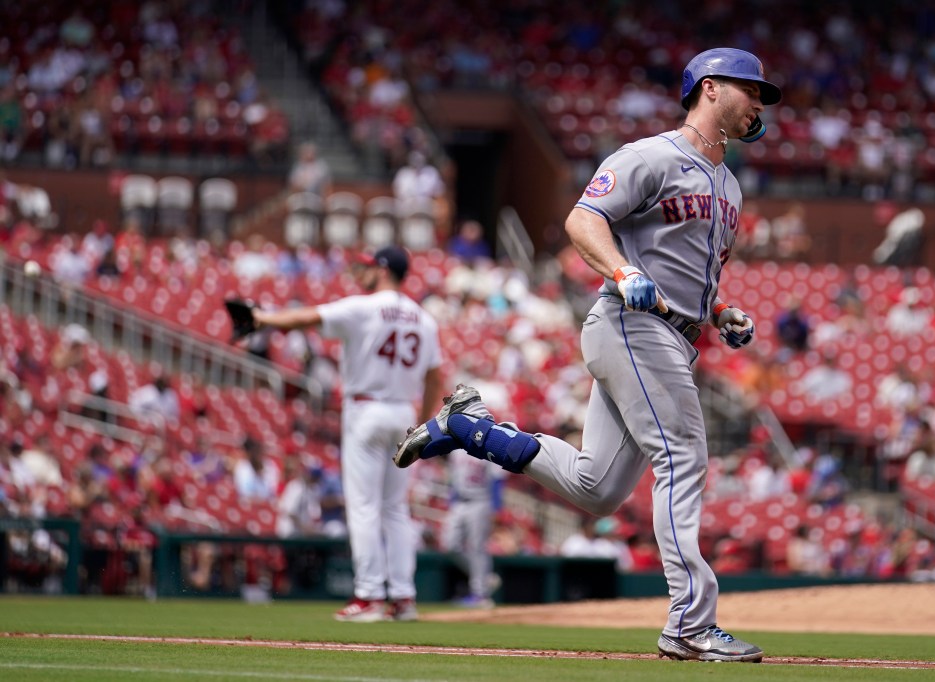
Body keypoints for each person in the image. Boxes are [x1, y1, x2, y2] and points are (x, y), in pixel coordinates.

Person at [393, 48, 779, 663]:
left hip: (675, 331)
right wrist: (623, 271)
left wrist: (718, 312)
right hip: (633, 324)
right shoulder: (651, 156)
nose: (760, 102)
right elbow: (584, 219)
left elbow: (678, 268)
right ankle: (689, 623)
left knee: (596, 487)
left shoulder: (728, 183)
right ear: (710, 88)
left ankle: (468, 428)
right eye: (752, 89)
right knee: (683, 456)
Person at [251, 245, 443, 623]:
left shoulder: (364, 306)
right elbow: (436, 379)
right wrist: (419, 427)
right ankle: (404, 599)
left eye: (370, 266)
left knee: (365, 507)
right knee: (396, 510)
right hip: (404, 411)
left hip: (366, 409)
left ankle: (369, 596)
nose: (363, 271)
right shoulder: (424, 319)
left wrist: (261, 319)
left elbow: (306, 318)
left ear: (384, 270)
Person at [441, 450, 503, 608]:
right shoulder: (456, 450)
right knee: (450, 545)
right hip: (459, 502)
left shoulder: (485, 446)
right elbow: (453, 478)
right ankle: (485, 578)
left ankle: (480, 595)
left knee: (477, 547)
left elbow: (497, 479)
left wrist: (496, 508)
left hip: (480, 501)